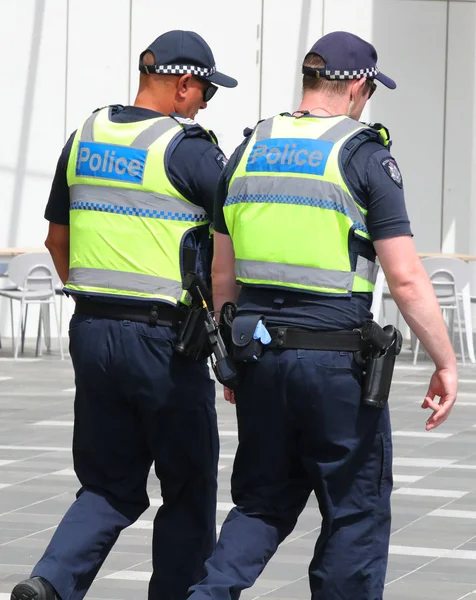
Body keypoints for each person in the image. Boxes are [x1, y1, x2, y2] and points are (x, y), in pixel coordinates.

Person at [187, 31, 458, 600]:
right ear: (358, 86)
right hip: (337, 367)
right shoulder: (364, 156)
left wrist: (234, 360)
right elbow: (406, 278)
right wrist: (445, 361)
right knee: (354, 514)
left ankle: (206, 595)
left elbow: (221, 274)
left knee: (260, 503)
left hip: (259, 355)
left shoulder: (246, 151)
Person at [11, 30, 237, 600]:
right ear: (183, 84)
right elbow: (241, 230)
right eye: (205, 91)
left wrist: (99, 299)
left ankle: (51, 583)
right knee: (186, 485)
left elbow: (56, 241)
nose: (206, 104)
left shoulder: (84, 137)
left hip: (90, 330)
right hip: (164, 343)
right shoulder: (188, 150)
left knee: (108, 484)